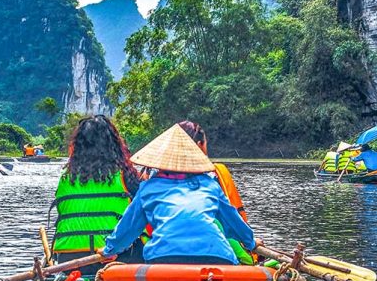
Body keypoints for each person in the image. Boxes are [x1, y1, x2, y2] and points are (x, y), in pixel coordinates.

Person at [101, 124, 258, 265]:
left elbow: (128, 229)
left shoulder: (148, 188)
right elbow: (234, 224)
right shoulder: (210, 184)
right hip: (216, 256)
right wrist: (251, 243)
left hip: (163, 258)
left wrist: (109, 250)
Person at [51, 115, 142, 271]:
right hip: (116, 259)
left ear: (78, 146)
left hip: (69, 260)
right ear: (114, 144)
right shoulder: (125, 175)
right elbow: (142, 210)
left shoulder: (65, 178)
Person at [177, 121, 253, 264]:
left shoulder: (153, 183)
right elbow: (232, 220)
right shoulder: (211, 181)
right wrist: (252, 243)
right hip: (215, 250)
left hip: (164, 255)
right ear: (200, 144)